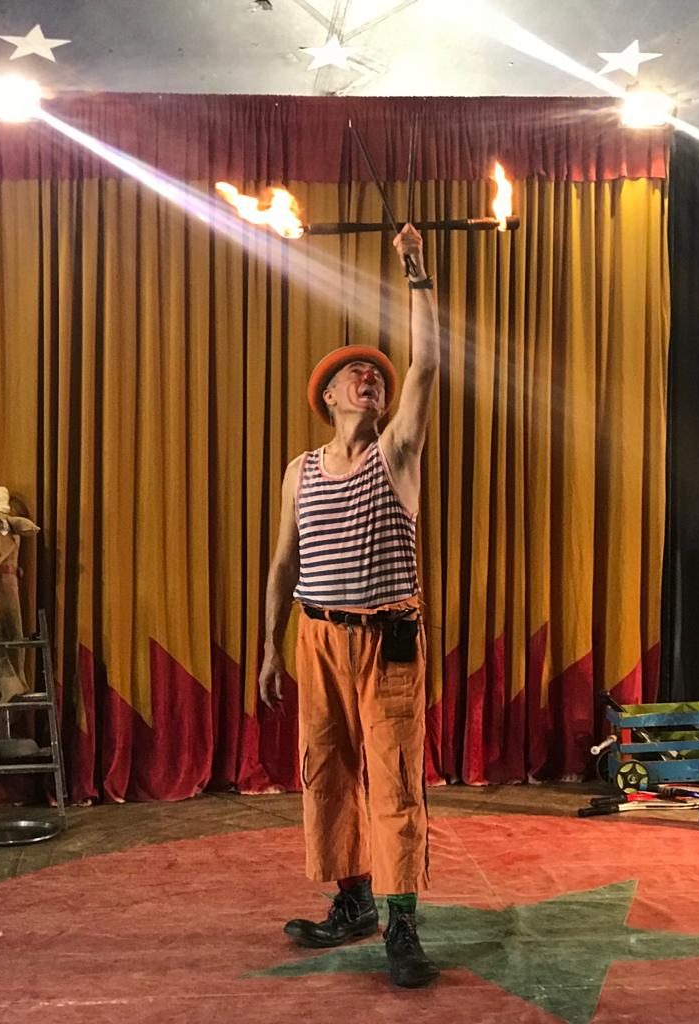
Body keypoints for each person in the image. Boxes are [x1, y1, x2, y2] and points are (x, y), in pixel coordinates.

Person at [259, 223, 440, 989]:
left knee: (393, 778)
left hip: (388, 639)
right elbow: (282, 564)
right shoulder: (299, 471)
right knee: (327, 771)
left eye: (375, 375)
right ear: (328, 397)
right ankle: (354, 899)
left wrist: (416, 272)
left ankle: (402, 920)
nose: (369, 376)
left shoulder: (397, 453)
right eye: (353, 373)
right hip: (318, 638)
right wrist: (269, 646)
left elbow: (426, 363)